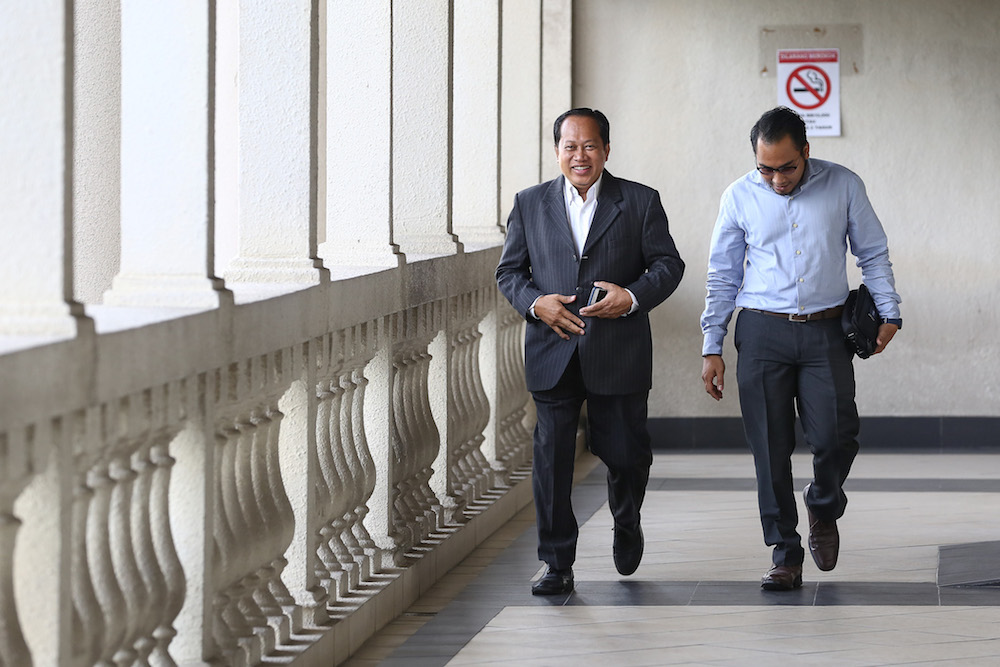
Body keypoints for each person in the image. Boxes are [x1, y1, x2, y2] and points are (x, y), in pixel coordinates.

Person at [700, 106, 902, 591]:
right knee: (769, 448)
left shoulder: (844, 185)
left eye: (786, 167)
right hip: (761, 331)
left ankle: (823, 503)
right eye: (765, 168)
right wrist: (712, 344)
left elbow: (871, 253)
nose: (775, 179)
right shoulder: (739, 195)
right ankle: (785, 552)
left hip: (825, 331)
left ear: (806, 153)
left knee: (836, 436)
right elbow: (723, 274)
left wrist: (890, 311)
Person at [496, 108, 684, 595]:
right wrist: (536, 304)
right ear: (557, 151)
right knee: (552, 460)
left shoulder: (640, 202)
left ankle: (626, 519)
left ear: (606, 149)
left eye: (590, 146)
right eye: (570, 147)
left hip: (617, 349)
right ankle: (557, 563)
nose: (580, 156)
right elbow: (509, 274)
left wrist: (633, 296)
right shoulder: (529, 203)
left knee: (626, 455)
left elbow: (668, 264)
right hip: (552, 349)